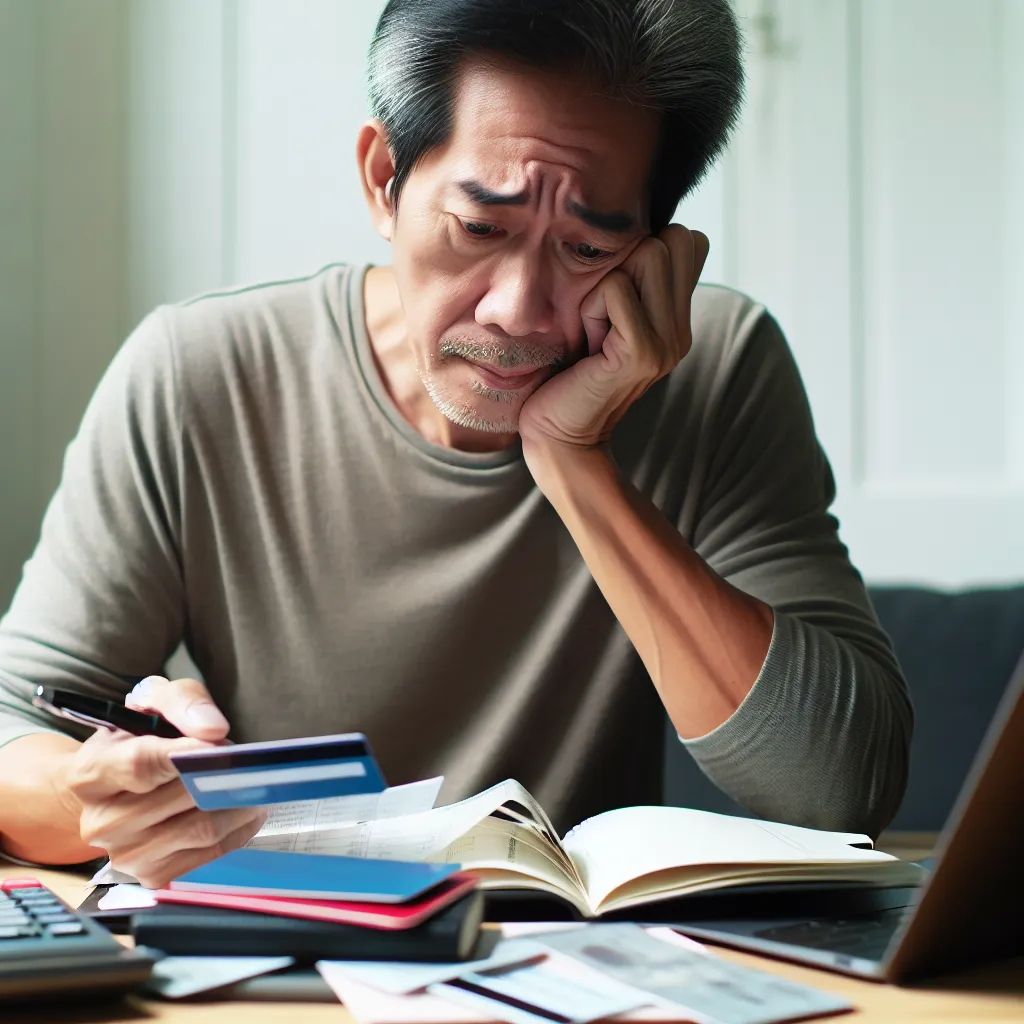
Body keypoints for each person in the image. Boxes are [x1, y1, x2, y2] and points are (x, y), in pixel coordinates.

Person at [0, 0, 911, 889]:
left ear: (654, 249)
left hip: (575, 971)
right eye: (480, 228)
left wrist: (572, 457)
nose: (516, 309)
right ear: (382, 180)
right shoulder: (199, 371)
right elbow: (14, 722)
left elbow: (838, 789)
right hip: (280, 965)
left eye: (588, 249)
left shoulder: (717, 370)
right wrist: (96, 800)